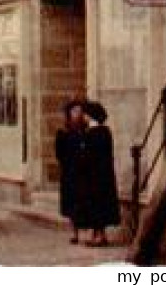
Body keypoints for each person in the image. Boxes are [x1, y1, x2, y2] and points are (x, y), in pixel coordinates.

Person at [82, 102, 122, 247]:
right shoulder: (102, 131)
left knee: (98, 205)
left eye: (86, 114)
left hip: (97, 175)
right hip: (100, 174)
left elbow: (92, 155)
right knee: (96, 205)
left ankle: (99, 235)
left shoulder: (96, 132)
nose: (84, 117)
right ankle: (97, 234)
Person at [56, 100, 90, 245]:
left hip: (83, 172)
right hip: (70, 172)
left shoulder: (85, 132)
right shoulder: (63, 133)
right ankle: (74, 232)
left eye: (79, 111)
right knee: (71, 204)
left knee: (83, 202)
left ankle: (86, 230)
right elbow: (59, 153)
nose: (78, 114)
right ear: (69, 115)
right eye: (75, 111)